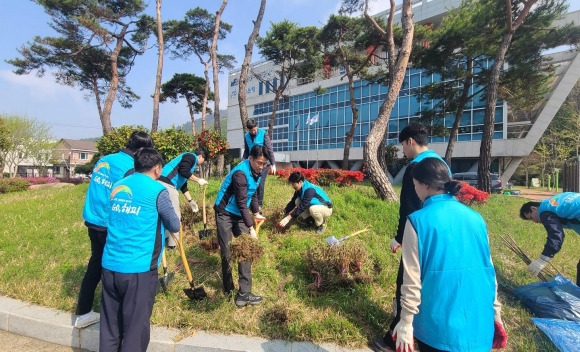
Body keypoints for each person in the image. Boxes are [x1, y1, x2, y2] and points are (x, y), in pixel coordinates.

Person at [392, 157, 507, 352]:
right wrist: (495, 311)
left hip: (438, 325)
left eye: (414, 184)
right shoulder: (476, 218)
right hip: (479, 321)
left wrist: (405, 322)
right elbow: (488, 270)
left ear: (425, 184)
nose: (415, 190)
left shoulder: (417, 221)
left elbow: (411, 279)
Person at [373, 122, 450, 352]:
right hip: (442, 235)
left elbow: (407, 209)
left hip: (419, 234)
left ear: (410, 142)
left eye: (402, 146)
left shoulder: (415, 169)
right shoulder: (442, 165)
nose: (403, 151)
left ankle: (396, 340)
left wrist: (399, 238)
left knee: (406, 284)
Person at [100, 148, 180, 352]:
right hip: (139, 269)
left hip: (109, 266)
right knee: (135, 329)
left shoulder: (118, 186)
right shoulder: (157, 191)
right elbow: (174, 224)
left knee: (110, 326)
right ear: (157, 169)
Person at [75, 131, 153, 329]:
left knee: (95, 264)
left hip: (91, 218)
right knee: (115, 269)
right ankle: (116, 317)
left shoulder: (104, 159)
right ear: (141, 150)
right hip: (108, 223)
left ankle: (83, 312)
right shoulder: (129, 168)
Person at [214, 145, 268, 307]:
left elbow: (253, 195)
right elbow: (242, 203)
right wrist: (251, 229)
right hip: (225, 212)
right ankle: (228, 289)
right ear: (250, 159)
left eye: (264, 163)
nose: (261, 166)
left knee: (245, 250)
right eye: (259, 163)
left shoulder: (257, 172)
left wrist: (257, 212)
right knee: (227, 251)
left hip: (239, 214)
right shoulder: (240, 174)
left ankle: (244, 293)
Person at [520, 192, 580, 286]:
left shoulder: (544, 211)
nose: (534, 222)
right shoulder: (555, 202)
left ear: (533, 208)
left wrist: (542, 260)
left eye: (531, 218)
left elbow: (556, 235)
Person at [158, 148, 208, 249]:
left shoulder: (188, 161)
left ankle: (165, 238)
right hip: (167, 184)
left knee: (164, 214)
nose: (202, 163)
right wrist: (198, 180)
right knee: (175, 216)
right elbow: (183, 171)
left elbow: (183, 184)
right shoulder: (191, 157)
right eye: (204, 160)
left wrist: (191, 201)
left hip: (162, 183)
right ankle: (173, 245)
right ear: (200, 156)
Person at [243, 119, 276, 211]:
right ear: (248, 130)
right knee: (251, 183)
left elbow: (269, 149)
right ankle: (251, 204)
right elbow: (246, 151)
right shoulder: (246, 136)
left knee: (260, 183)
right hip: (252, 163)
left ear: (256, 126)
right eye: (251, 130)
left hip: (264, 163)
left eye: (254, 129)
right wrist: (243, 161)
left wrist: (273, 163)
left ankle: (259, 205)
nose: (253, 132)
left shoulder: (263, 133)